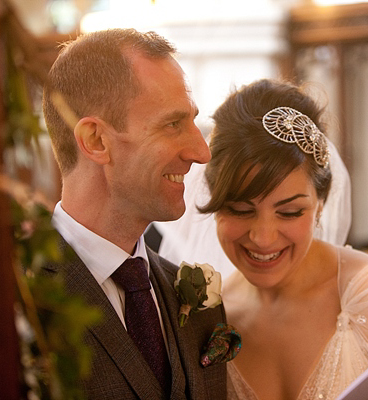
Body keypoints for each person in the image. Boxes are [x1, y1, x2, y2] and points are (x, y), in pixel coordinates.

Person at [158, 78, 368, 400]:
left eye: (290, 212)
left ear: (320, 204)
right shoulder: (212, 317)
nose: (263, 238)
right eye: (240, 210)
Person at [42, 28, 227, 399]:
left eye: (193, 121)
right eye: (173, 124)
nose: (201, 152)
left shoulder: (196, 301)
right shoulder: (17, 296)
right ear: (96, 140)